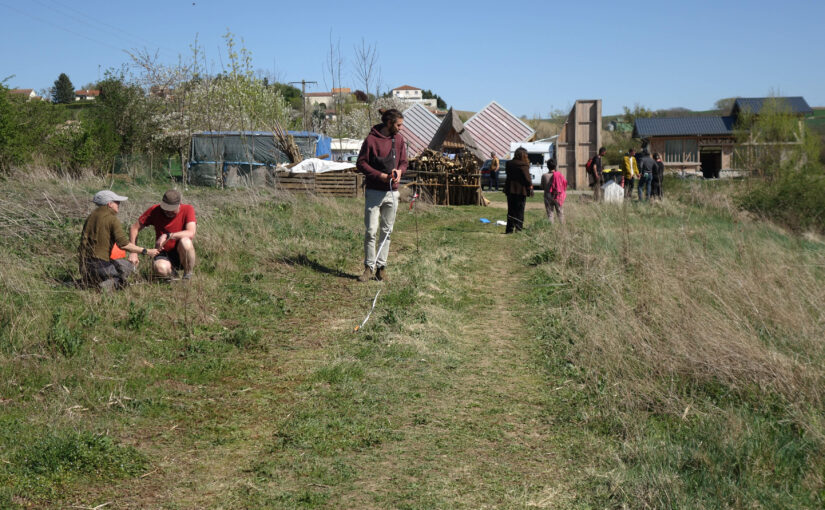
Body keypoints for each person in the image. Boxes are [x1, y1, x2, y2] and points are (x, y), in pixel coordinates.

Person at [356, 108, 408, 282]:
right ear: (389, 123)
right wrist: (380, 176)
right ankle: (368, 268)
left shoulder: (399, 140)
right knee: (371, 231)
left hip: (392, 193)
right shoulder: (371, 140)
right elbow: (361, 163)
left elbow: (404, 162)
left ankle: (381, 268)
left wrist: (399, 172)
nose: (401, 128)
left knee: (387, 232)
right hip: (374, 192)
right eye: (399, 125)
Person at [79, 190, 159, 291]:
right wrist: (146, 251)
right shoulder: (112, 219)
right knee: (126, 272)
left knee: (122, 265)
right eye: (117, 202)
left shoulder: (91, 216)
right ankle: (105, 286)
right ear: (110, 204)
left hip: (83, 266)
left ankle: (88, 281)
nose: (119, 204)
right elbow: (123, 244)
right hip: (100, 265)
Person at [128, 189, 197, 280]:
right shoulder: (155, 210)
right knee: (160, 268)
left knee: (186, 241)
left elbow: (190, 233)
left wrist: (168, 235)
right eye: (166, 209)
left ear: (179, 204)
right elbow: (134, 228)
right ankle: (174, 278)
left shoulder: (188, 209)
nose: (168, 212)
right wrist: (133, 252)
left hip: (181, 251)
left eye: (172, 210)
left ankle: (187, 275)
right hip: (163, 253)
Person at [504, 147, 533, 233]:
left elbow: (508, 175)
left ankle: (509, 229)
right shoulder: (524, 165)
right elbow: (527, 179)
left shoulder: (509, 163)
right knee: (520, 210)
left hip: (510, 189)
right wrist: (530, 186)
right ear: (523, 155)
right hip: (521, 190)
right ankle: (518, 228)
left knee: (511, 210)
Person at [540, 159, 567, 223]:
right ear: (555, 166)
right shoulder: (559, 175)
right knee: (560, 213)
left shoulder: (544, 176)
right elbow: (564, 184)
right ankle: (562, 227)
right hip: (558, 196)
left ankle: (551, 227)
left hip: (548, 196)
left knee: (550, 214)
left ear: (547, 166)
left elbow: (542, 187)